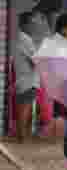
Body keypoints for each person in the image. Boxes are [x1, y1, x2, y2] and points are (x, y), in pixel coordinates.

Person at [13, 11, 39, 142]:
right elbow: (35, 61)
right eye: (32, 22)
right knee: (26, 107)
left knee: (21, 107)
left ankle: (21, 135)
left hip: (20, 78)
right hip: (28, 79)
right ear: (25, 24)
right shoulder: (26, 39)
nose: (34, 25)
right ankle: (22, 137)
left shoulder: (18, 37)